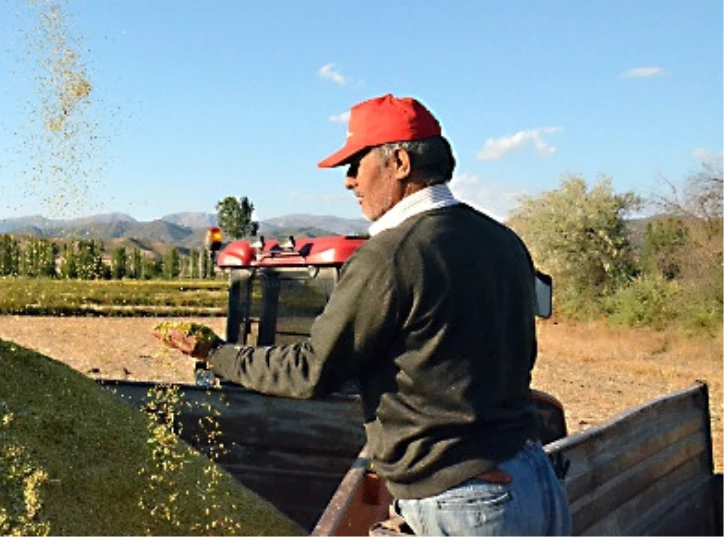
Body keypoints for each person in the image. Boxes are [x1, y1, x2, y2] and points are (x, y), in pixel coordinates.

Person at [157, 94, 572, 537]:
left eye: (355, 164)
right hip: (535, 480)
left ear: (398, 162)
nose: (349, 181)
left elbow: (311, 371)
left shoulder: (392, 256)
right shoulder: (503, 241)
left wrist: (215, 354)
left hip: (466, 501)